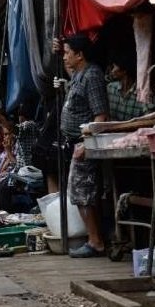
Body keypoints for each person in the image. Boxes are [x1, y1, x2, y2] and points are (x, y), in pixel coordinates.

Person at [53, 34, 109, 258]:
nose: (65, 57)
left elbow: (101, 115)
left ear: (80, 54)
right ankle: (94, 239)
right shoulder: (79, 75)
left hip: (84, 144)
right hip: (76, 143)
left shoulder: (92, 75)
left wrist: (87, 143)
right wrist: (59, 52)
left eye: (68, 53)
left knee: (83, 193)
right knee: (79, 194)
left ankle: (96, 242)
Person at [107, 53, 155, 121]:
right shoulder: (110, 88)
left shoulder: (143, 92)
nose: (112, 71)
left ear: (124, 70)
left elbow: (150, 119)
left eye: (114, 67)